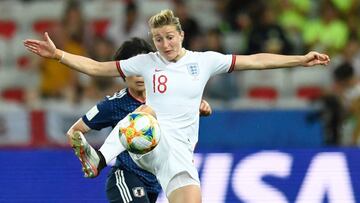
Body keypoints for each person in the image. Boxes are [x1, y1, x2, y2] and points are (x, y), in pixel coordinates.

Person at [24, 9, 330, 203]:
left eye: (169, 37)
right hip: (151, 143)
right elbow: (96, 67)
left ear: (181, 35)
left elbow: (256, 61)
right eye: (158, 39)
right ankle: (100, 158)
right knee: (145, 111)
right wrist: (59, 56)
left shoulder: (204, 61)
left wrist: (300, 59)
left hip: (180, 154)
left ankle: (103, 157)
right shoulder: (146, 63)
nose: (165, 44)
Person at [67, 37, 212, 203]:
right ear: (123, 71)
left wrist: (199, 108)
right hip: (126, 178)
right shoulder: (114, 104)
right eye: (133, 69)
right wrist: (85, 153)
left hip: (155, 182)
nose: (139, 76)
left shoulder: (167, 96)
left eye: (143, 69)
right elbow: (74, 130)